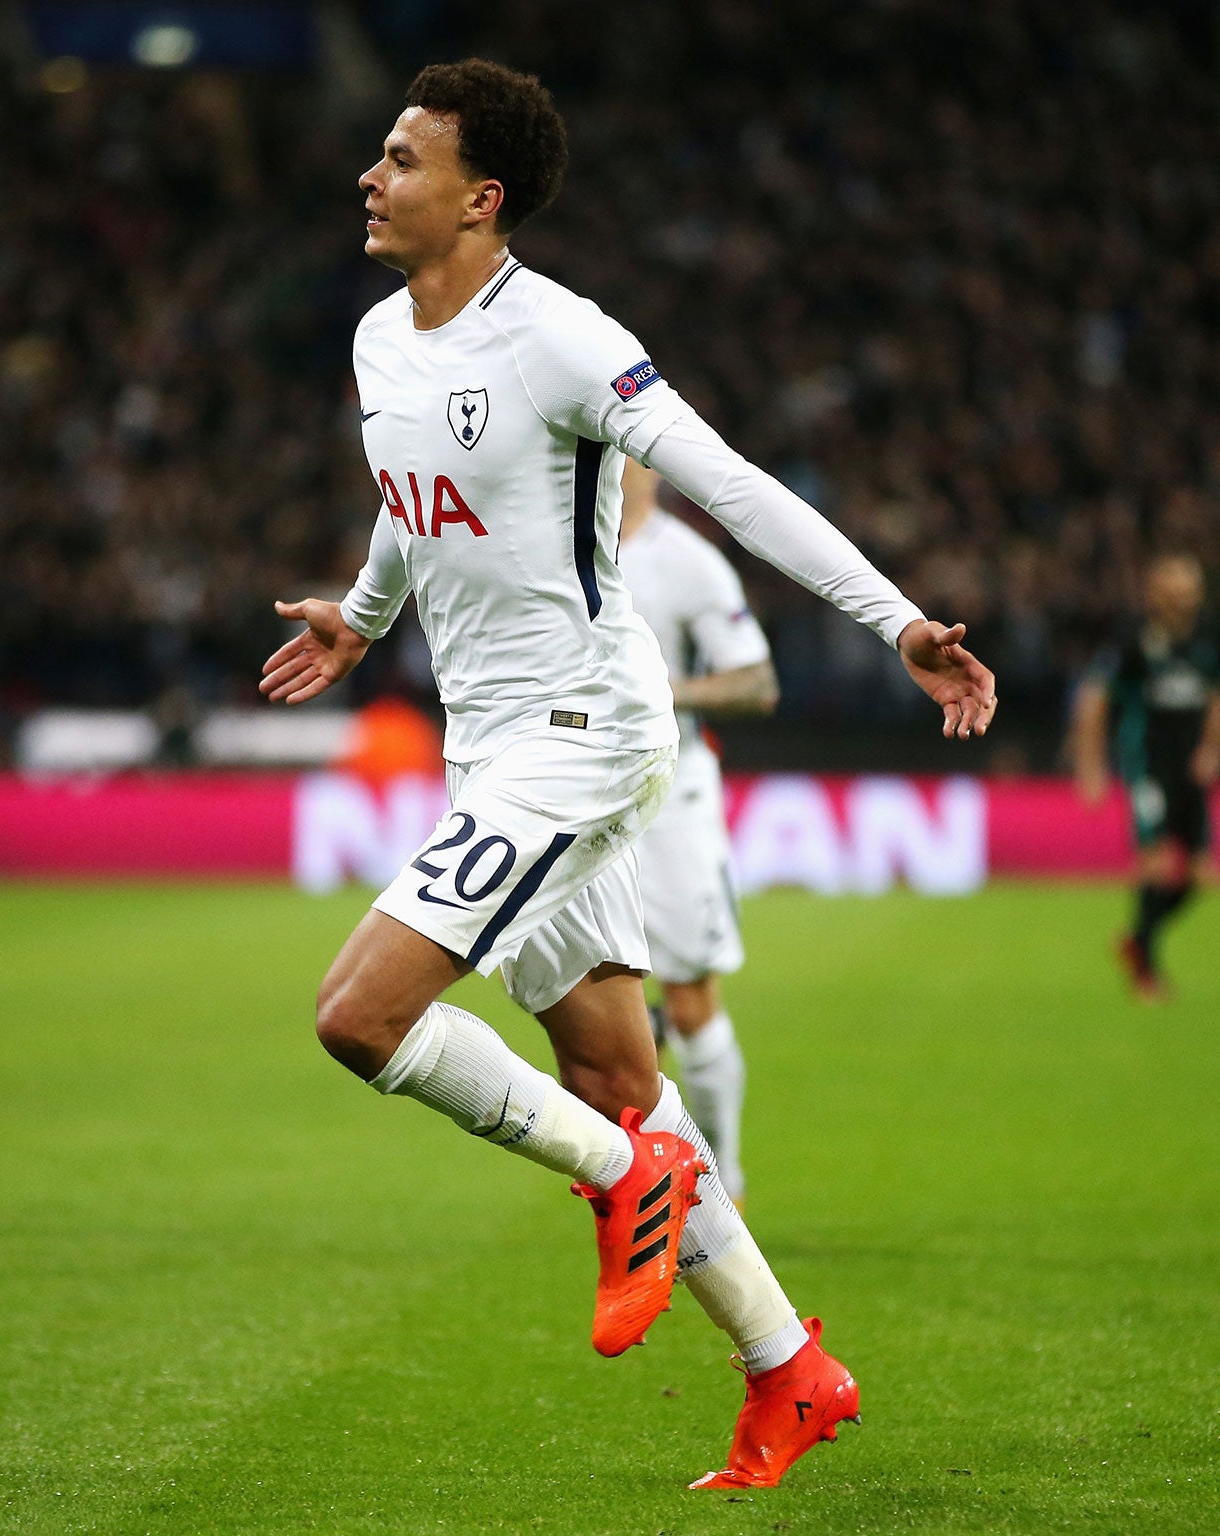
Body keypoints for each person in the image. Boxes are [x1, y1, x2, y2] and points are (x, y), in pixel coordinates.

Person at [260, 59, 996, 1490]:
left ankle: (625, 1184)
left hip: (582, 736)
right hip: (494, 749)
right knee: (614, 1077)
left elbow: (726, 481)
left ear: (480, 199)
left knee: (359, 1018)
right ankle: (791, 1368)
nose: (372, 175)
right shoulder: (377, 343)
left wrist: (897, 618)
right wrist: (359, 619)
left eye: (403, 159)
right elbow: (419, 507)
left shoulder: (562, 338)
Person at [617, 460, 776, 1207]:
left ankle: (725, 1184)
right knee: (600, 1011)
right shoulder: (552, 540)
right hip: (574, 796)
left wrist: (659, 690)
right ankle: (636, 1186)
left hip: (669, 802)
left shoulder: (686, 561)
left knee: (687, 999)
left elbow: (755, 681)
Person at [1071, 553, 1220, 1000]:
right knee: (1159, 865)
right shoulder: (1133, 642)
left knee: (1203, 875)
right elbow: (1094, 699)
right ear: (1155, 595)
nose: (1184, 600)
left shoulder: (1206, 641)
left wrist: (1213, 750)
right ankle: (1147, 971)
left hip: (1191, 772)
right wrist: (1091, 767)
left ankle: (1136, 939)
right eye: (1175, 591)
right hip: (1148, 766)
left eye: (1190, 591)